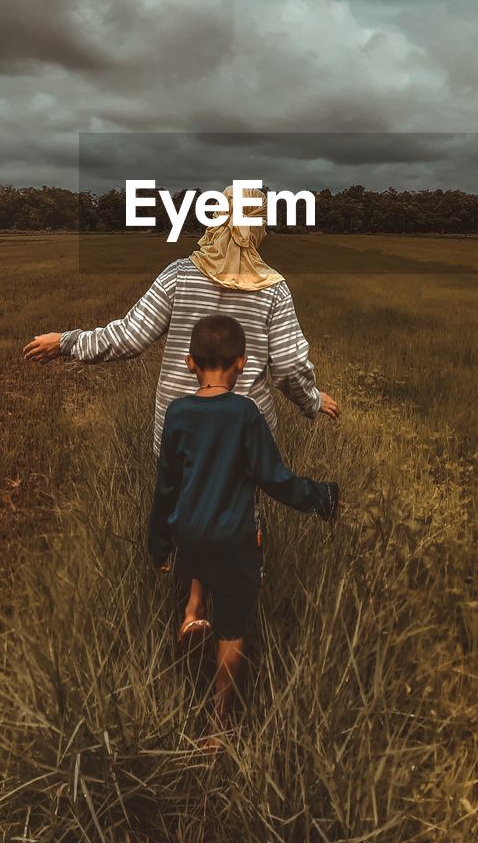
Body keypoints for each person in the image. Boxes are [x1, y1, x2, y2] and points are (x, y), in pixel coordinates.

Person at [23, 185, 341, 634]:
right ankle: (235, 621)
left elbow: (128, 336)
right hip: (242, 441)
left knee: (188, 510)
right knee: (239, 522)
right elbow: (289, 367)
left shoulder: (179, 275)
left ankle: (192, 612)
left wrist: (68, 342)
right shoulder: (274, 289)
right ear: (258, 226)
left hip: (181, 431)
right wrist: (312, 401)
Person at [148, 314, 340, 746]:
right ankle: (219, 723)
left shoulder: (177, 414)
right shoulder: (246, 414)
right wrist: (321, 498)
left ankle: (191, 614)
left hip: (189, 537)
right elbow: (274, 478)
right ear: (242, 364)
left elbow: (166, 487)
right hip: (235, 541)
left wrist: (158, 545)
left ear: (188, 363)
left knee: (197, 542)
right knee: (232, 627)